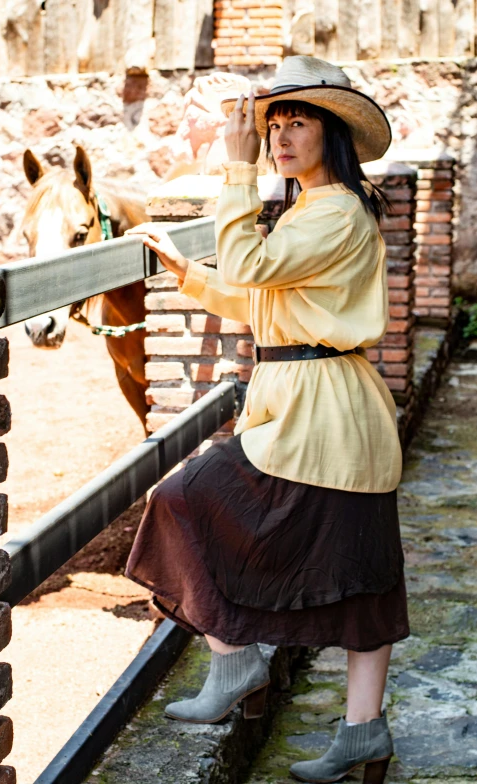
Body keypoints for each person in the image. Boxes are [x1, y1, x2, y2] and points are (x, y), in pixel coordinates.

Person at [125, 55, 409, 784]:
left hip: (324, 414)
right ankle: (360, 733)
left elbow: (250, 268)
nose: (279, 137)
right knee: (355, 573)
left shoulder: (337, 208)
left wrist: (234, 171)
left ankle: (236, 660)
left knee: (185, 499)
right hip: (314, 404)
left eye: (297, 122)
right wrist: (186, 274)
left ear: (332, 133)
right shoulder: (314, 211)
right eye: (271, 124)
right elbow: (264, 301)